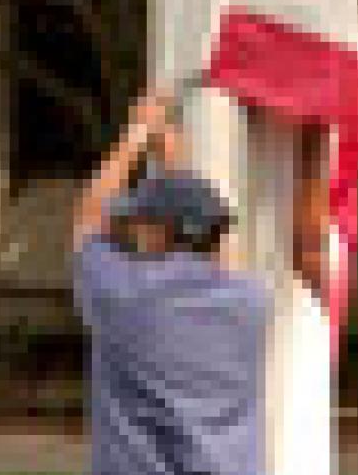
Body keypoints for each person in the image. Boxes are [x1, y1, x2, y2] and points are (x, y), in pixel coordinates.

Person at [71, 84, 277, 475]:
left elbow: (88, 219)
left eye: (141, 222)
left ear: (158, 233)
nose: (133, 231)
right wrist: (173, 168)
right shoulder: (252, 303)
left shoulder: (124, 298)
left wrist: (137, 134)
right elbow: (214, 247)